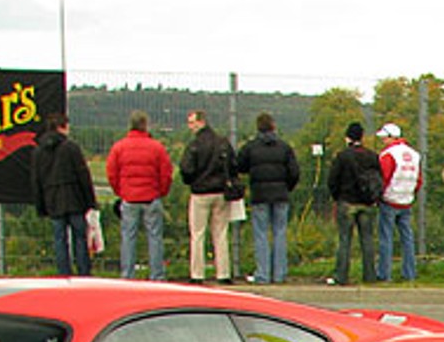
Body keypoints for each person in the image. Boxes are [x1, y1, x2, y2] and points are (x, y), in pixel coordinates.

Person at [105, 110, 173, 280]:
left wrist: (121, 192)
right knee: (155, 237)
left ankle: (127, 275)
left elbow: (112, 173)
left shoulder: (119, 147)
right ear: (145, 125)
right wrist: (161, 192)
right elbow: (166, 173)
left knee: (128, 237)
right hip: (151, 197)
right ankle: (157, 275)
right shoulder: (157, 147)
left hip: (129, 197)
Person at [235, 112, 301, 284]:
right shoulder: (284, 147)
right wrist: (288, 187)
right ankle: (280, 274)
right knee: (280, 233)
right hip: (280, 194)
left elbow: (239, 166)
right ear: (274, 127)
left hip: (260, 194)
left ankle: (262, 274)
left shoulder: (251, 147)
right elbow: (294, 172)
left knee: (261, 234)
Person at [31, 112, 96, 277]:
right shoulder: (71, 148)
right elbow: (83, 175)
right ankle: (83, 273)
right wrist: (90, 201)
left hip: (52, 200)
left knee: (59, 240)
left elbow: (36, 180)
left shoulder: (39, 151)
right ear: (62, 127)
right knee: (80, 239)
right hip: (75, 200)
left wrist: (41, 206)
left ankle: (63, 274)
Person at [179, 109, 235, 283]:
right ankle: (223, 273)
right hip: (220, 192)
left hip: (200, 193)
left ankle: (197, 274)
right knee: (221, 233)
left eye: (192, 122)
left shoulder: (194, 145)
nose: (190, 127)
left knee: (197, 234)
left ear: (200, 122)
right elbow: (233, 165)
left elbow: (186, 169)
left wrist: (192, 181)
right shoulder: (223, 142)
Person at [326, 121, 382, 285]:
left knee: (345, 240)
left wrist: (337, 197)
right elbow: (379, 179)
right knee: (368, 240)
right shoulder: (372, 156)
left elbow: (332, 180)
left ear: (347, 137)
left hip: (347, 201)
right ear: (362, 137)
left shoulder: (342, 156)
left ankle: (341, 276)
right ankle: (370, 276)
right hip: (367, 203)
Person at [373, 122, 423, 282]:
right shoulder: (414, 155)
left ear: (390, 137)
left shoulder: (388, 155)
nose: (383, 141)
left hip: (390, 199)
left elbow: (384, 178)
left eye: (384, 138)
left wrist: (378, 196)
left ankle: (384, 273)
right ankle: (410, 273)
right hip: (406, 199)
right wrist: (410, 193)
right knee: (407, 238)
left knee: (386, 238)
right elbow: (419, 180)